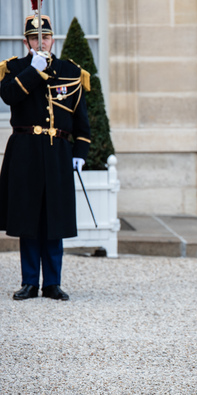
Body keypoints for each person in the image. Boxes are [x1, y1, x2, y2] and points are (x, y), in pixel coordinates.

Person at [0, 15, 91, 301]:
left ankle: (52, 282)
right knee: (28, 218)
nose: (42, 43)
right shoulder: (14, 69)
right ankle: (29, 282)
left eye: (46, 38)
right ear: (26, 41)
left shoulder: (70, 71)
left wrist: (80, 154)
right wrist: (33, 71)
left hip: (57, 151)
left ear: (53, 39)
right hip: (25, 150)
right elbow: (9, 96)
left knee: (54, 218)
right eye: (35, 38)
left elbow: (82, 122)